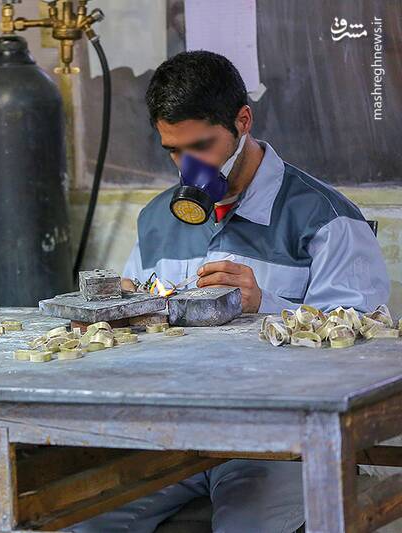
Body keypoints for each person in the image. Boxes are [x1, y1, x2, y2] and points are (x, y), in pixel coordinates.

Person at [74, 51, 389, 532]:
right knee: (81, 518)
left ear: (243, 122)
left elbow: (362, 351)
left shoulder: (326, 219)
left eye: (202, 146)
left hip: (279, 439)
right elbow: (142, 336)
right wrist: (124, 314)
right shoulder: (158, 218)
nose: (189, 166)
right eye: (174, 151)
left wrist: (267, 306)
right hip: (176, 431)